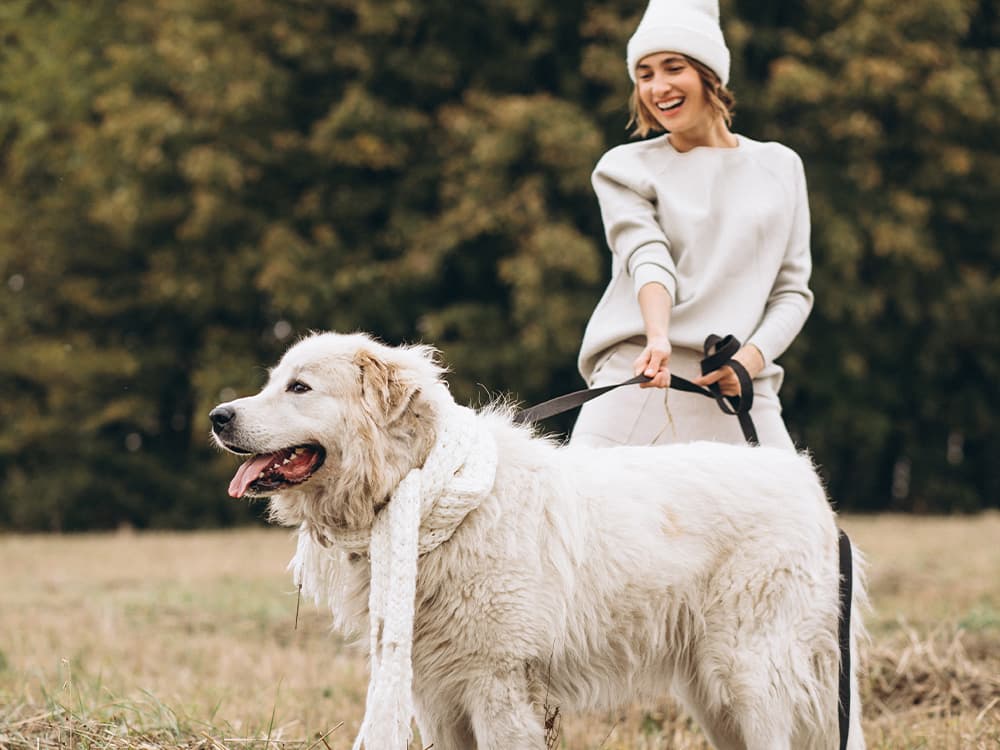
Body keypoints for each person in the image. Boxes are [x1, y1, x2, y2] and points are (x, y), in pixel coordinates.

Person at [570, 0, 813, 450]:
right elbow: (647, 256)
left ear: (709, 73)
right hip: (641, 375)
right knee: (577, 512)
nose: (658, 87)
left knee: (802, 519)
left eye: (672, 67)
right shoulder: (624, 168)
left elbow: (792, 292)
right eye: (644, 74)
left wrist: (750, 362)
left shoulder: (781, 166)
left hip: (736, 388)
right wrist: (658, 336)